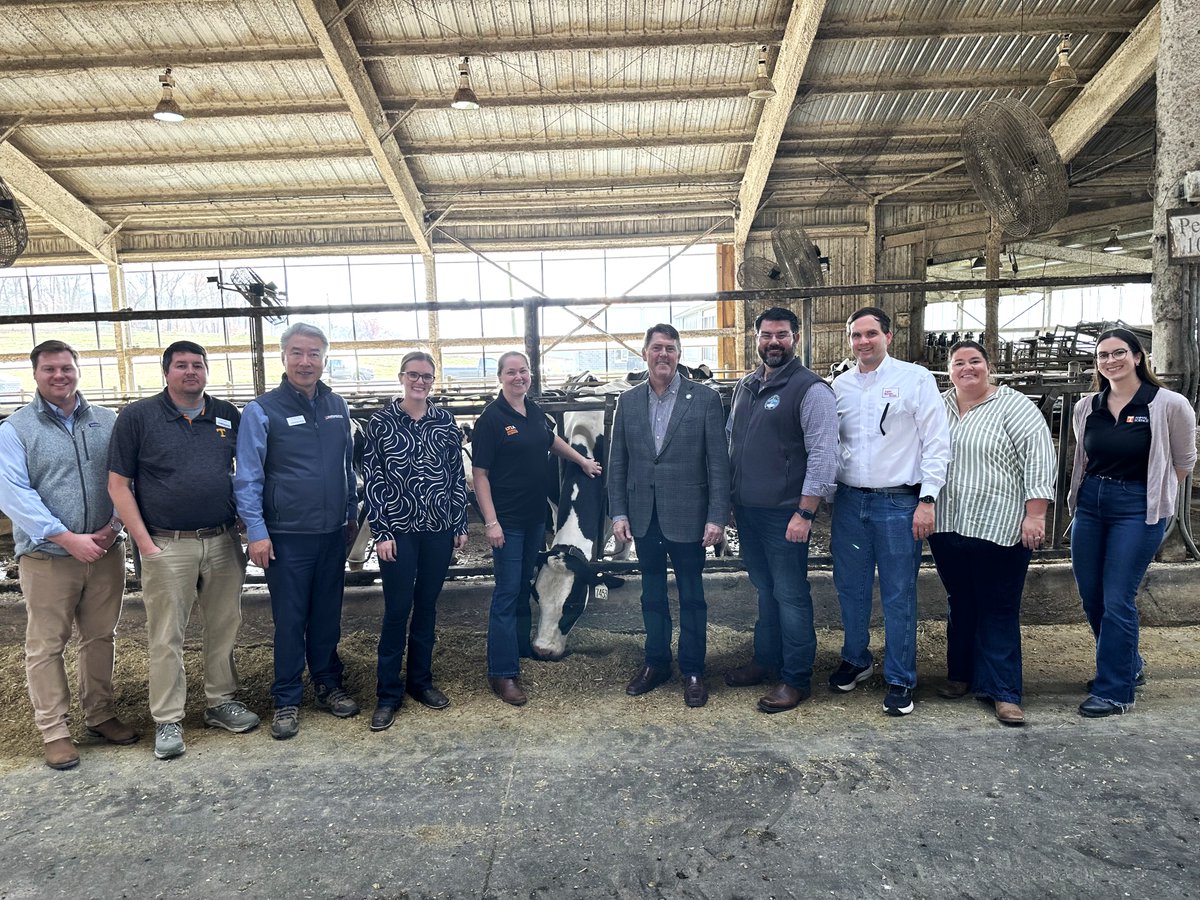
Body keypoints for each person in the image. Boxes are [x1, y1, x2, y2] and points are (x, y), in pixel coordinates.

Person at [108, 341, 259, 760]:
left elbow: (245, 473)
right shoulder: (138, 417)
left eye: (198, 365)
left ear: (207, 371)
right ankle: (169, 718)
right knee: (166, 634)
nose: (190, 372)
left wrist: (247, 524)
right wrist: (142, 543)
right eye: (181, 366)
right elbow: (118, 484)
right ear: (166, 372)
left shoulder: (228, 414)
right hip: (165, 542)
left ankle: (219, 702)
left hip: (222, 538)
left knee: (225, 624)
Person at [0, 340, 137, 770]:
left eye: (66, 368)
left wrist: (114, 526)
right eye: (49, 370)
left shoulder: (107, 421)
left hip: (104, 550)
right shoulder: (15, 429)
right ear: (36, 375)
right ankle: (55, 730)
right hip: (47, 558)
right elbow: (14, 493)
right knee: (46, 644)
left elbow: (124, 477)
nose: (59, 376)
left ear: (78, 370)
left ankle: (100, 715)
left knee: (100, 636)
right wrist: (65, 537)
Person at [233, 322, 360, 739]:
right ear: (284, 357)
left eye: (314, 354)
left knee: (326, 616)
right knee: (290, 619)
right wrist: (256, 530)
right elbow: (248, 477)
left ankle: (327, 683)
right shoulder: (262, 410)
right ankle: (286, 698)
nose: (306, 362)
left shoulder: (337, 405)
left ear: (325, 359)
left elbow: (347, 467)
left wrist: (351, 512)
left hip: (332, 533)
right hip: (286, 535)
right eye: (298, 353)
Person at [1067, 328, 1197, 718]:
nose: (1110, 361)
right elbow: (1085, 458)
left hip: (1137, 506)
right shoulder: (1087, 406)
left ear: (1138, 357)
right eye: (1102, 355)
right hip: (1091, 503)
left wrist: (1154, 494)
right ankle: (1129, 664)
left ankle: (1115, 690)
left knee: (1118, 596)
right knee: (1092, 594)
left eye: (1119, 352)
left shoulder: (1169, 404)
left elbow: (1184, 461)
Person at [830, 306, 951, 717]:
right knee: (850, 586)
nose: (863, 342)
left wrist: (928, 498)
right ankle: (857, 658)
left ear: (888, 336)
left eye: (870, 334)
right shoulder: (840, 386)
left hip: (899, 502)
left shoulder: (914, 380)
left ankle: (900, 678)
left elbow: (936, 442)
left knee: (899, 593)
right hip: (849, 501)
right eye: (856, 335)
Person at [927, 341, 1055, 726]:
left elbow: (1039, 457)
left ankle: (1003, 692)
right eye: (959, 362)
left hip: (1000, 524)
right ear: (948, 370)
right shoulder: (939, 405)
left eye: (975, 361)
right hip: (949, 523)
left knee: (998, 606)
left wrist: (1036, 515)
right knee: (961, 600)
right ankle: (960, 675)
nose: (967, 368)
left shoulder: (1013, 405)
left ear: (989, 365)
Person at [607, 325, 730, 708]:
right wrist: (619, 513)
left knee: (693, 595)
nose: (664, 355)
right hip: (644, 516)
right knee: (652, 594)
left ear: (679, 354)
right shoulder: (627, 402)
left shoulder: (705, 399)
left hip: (690, 516)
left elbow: (718, 465)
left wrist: (716, 517)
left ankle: (693, 669)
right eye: (657, 348)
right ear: (644, 353)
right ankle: (656, 662)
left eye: (671, 349)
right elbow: (618, 463)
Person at [470, 351, 602, 706]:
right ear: (500, 377)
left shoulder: (534, 412)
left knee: (525, 585)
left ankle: (518, 653)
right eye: (511, 372)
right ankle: (502, 673)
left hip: (534, 523)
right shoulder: (491, 420)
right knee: (507, 593)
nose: (519, 377)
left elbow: (550, 439)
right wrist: (491, 523)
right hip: (507, 524)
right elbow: (479, 476)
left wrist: (581, 461)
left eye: (524, 371)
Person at [724, 307, 839, 713]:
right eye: (766, 335)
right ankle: (766, 660)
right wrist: (732, 502)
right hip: (749, 512)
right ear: (755, 339)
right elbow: (732, 445)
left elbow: (824, 455)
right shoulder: (745, 386)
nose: (774, 342)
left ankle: (795, 679)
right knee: (766, 590)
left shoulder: (811, 389)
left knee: (790, 594)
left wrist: (805, 513)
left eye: (782, 335)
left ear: (795, 338)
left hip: (786, 515)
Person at [362, 351, 469, 732]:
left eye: (426, 377)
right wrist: (382, 532)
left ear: (433, 381)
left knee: (426, 607)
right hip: (400, 532)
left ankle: (420, 682)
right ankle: (387, 694)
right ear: (401, 377)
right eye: (413, 375)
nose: (420, 382)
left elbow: (456, 474)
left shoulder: (444, 421)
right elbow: (372, 479)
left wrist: (459, 522)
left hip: (438, 527)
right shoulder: (381, 422)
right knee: (396, 610)